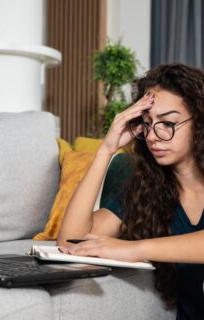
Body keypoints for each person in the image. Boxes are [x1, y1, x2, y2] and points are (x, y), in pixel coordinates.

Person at [57, 63, 204, 319]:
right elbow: (71, 241)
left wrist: (135, 248)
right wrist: (106, 149)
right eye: (147, 124)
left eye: (168, 123)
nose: (153, 136)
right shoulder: (147, 190)